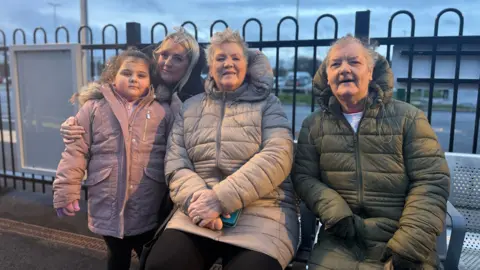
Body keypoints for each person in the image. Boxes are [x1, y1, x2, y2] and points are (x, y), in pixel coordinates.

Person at [144, 28, 299, 270]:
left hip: (261, 213)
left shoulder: (269, 105)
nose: (228, 64)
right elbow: (176, 163)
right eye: (220, 58)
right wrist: (200, 201)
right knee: (160, 265)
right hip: (197, 210)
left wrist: (220, 198)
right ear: (210, 66)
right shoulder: (190, 108)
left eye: (236, 58)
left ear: (246, 65)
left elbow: (278, 155)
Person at [293, 34, 450, 270]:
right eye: (335, 64)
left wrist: (407, 249)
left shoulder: (409, 118)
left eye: (354, 62)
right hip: (341, 238)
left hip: (401, 240)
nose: (344, 69)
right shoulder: (313, 125)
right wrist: (334, 210)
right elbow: (304, 177)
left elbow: (431, 183)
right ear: (327, 77)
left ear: (371, 71)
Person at [52, 49, 173, 270]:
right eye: (126, 72)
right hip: (107, 201)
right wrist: (66, 191)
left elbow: (174, 151)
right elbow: (75, 151)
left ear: (150, 80)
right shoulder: (94, 109)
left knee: (150, 257)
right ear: (112, 77)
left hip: (147, 202)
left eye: (141, 75)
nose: (133, 78)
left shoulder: (162, 111)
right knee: (117, 257)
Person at [59, 27, 206, 142]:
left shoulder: (199, 98)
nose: (167, 63)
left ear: (190, 65)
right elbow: (100, 111)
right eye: (164, 55)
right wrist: (75, 125)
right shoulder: (138, 84)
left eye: (178, 59)